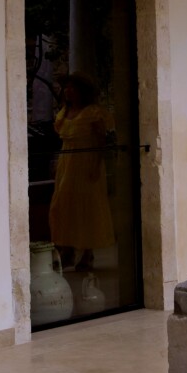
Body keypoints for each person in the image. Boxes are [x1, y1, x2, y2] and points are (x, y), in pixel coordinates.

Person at [48, 72, 115, 271]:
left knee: (87, 208)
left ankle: (87, 253)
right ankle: (67, 250)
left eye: (72, 87)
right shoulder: (64, 111)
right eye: (66, 87)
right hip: (67, 161)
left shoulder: (93, 113)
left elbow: (102, 142)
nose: (68, 91)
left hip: (86, 163)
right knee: (62, 206)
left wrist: (95, 166)